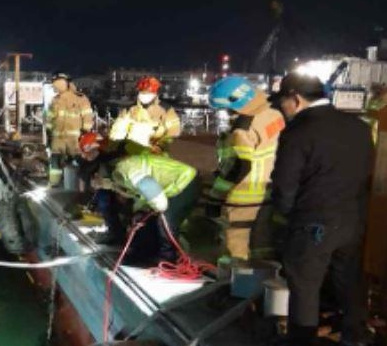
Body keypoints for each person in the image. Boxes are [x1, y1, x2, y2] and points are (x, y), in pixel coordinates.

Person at [268, 73, 375, 346]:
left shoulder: (300, 131)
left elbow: (285, 184)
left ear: (296, 98)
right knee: (350, 279)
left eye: (283, 103)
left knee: (305, 282)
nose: (282, 109)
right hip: (353, 218)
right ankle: (356, 337)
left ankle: (302, 344)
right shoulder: (359, 127)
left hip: (313, 220)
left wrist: (285, 214)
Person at [207, 76, 286, 261]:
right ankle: (262, 276)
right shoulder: (274, 114)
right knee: (262, 240)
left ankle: (234, 281)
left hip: (244, 195)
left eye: (223, 108)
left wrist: (215, 198)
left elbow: (239, 166)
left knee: (235, 243)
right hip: (269, 189)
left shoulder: (242, 130)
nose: (224, 113)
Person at [110, 120, 200, 264]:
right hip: (170, 187)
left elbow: (149, 188)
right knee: (144, 218)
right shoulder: (122, 174)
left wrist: (158, 208)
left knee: (165, 220)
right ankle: (146, 253)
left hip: (186, 183)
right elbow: (142, 194)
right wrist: (140, 211)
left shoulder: (126, 169)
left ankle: (168, 260)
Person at [109, 76, 181, 153]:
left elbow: (174, 130)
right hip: (131, 150)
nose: (144, 95)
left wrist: (161, 145)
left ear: (155, 93)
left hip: (157, 151)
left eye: (148, 93)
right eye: (142, 92)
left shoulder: (166, 110)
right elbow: (117, 128)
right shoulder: (130, 109)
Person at [46, 72, 94, 187]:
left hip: (75, 140)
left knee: (80, 163)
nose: (57, 87)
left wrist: (85, 132)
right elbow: (49, 118)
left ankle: (82, 186)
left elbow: (87, 116)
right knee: (55, 165)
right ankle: (54, 185)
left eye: (59, 84)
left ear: (67, 84)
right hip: (58, 139)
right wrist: (48, 133)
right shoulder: (55, 100)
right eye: (55, 85)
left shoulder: (80, 99)